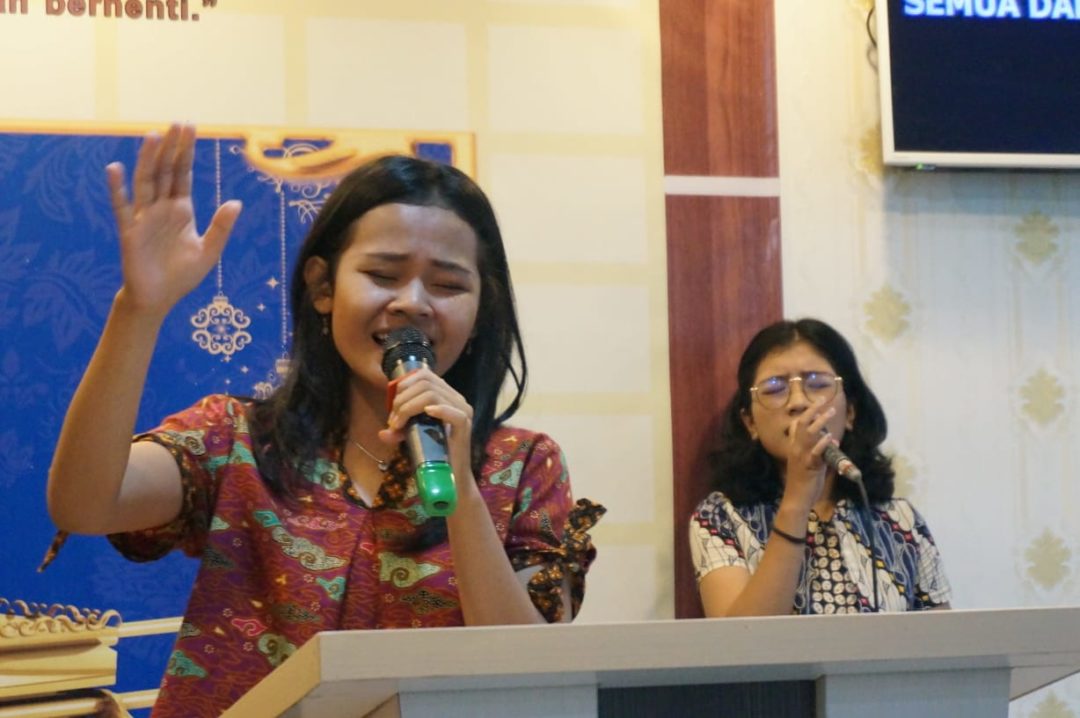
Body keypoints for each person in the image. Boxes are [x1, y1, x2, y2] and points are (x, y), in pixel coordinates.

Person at [44, 124, 604, 717]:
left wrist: (461, 489)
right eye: (383, 275)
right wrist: (139, 309)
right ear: (322, 286)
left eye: (447, 285)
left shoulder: (524, 466)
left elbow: (529, 675)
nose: (413, 303)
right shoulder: (237, 439)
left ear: (480, 309)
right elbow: (85, 505)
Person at [689, 318, 950, 617]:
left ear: (850, 412)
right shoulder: (720, 517)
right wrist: (798, 499)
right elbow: (741, 639)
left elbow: (942, 639)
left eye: (818, 384)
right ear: (750, 423)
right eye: (774, 388)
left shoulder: (901, 520)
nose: (798, 402)